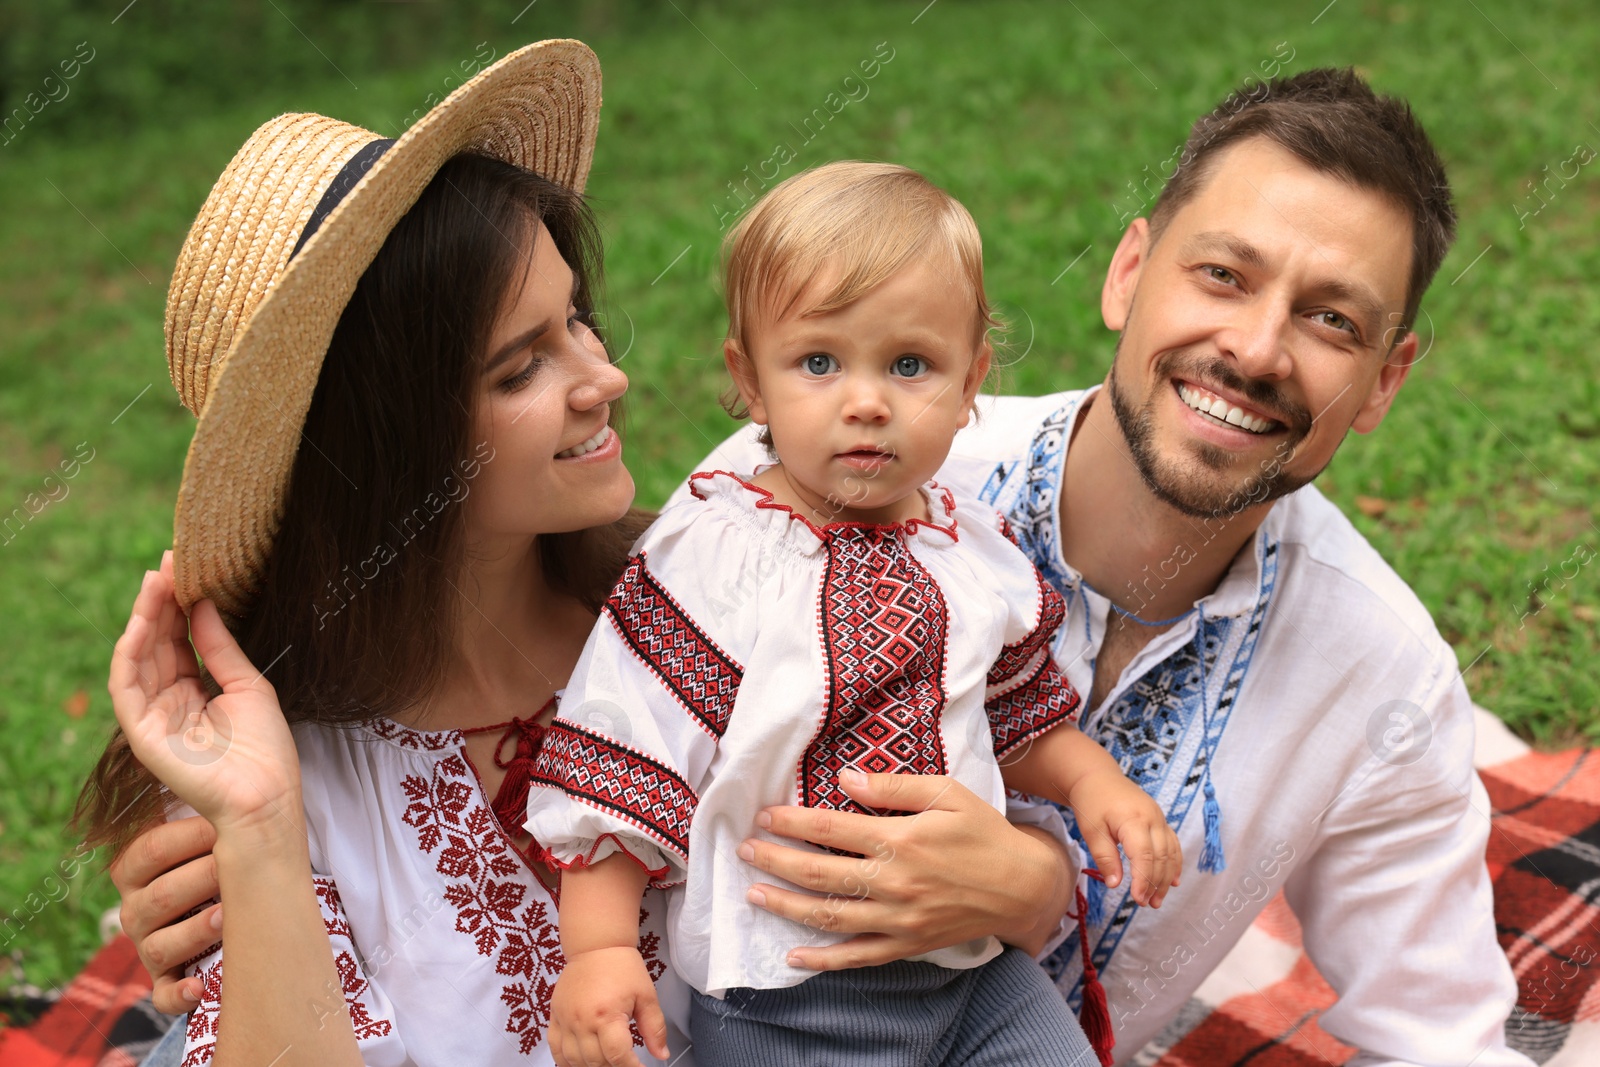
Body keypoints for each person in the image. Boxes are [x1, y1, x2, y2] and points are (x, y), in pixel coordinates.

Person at [80, 40, 1093, 1067]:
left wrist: (1028, 882)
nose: (603, 375)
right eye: (522, 366)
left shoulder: (716, 595)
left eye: (575, 319)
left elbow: (977, 750)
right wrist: (257, 830)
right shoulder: (280, 776)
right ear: (391, 444)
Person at [697, 69, 1534, 1064]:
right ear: (1128, 272)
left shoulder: (1382, 679)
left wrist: (1036, 892)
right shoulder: (796, 488)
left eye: (1331, 321)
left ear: (1380, 382)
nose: (1256, 347)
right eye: (1223, 274)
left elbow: (1441, 1040)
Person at [524, 162, 1180, 1067]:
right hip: (787, 993)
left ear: (969, 382)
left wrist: (1095, 783)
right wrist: (596, 951)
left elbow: (1016, 717)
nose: (866, 400)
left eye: (910, 364)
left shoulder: (973, 554)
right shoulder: (716, 557)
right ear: (751, 381)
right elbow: (623, 753)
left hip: (973, 972)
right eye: (819, 362)